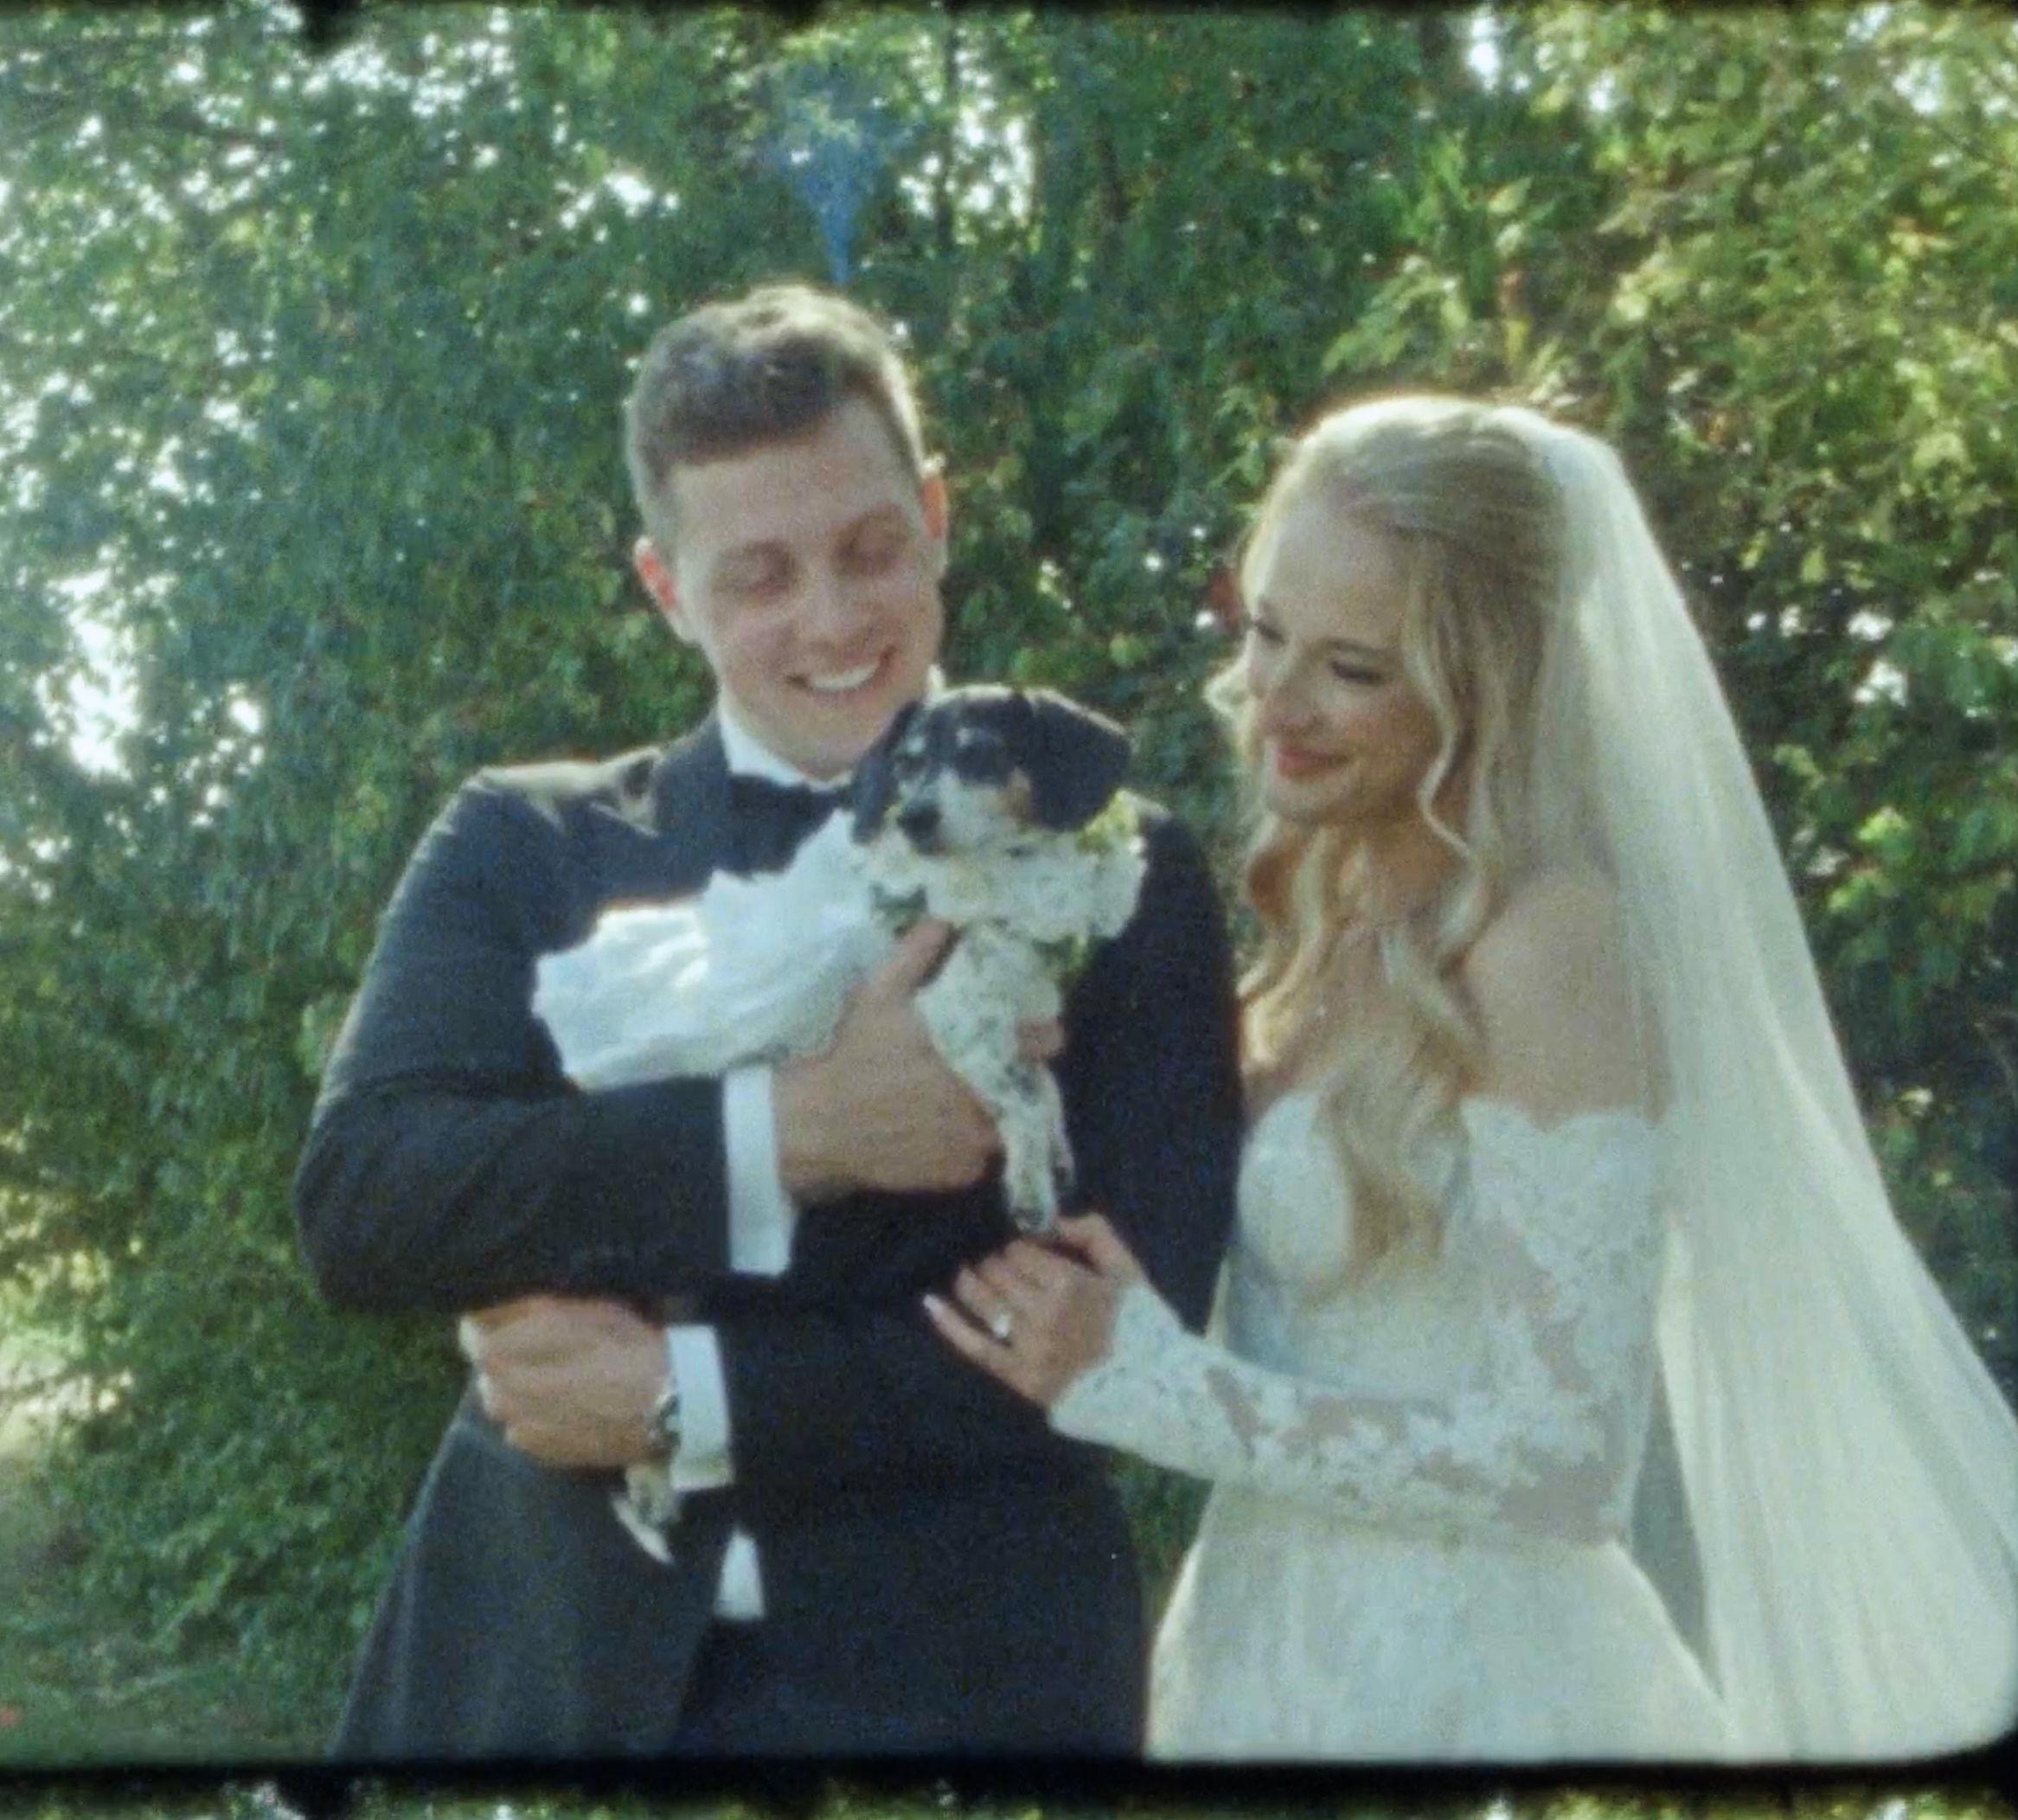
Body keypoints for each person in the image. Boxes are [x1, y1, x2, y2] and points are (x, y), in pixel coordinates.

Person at [931, 394, 2018, 1759]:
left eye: (1352, 668)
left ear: (1484, 684)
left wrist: (1157, 1390)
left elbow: (1566, 1463)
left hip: (1480, 1692)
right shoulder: (1320, 911)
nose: (1275, 702)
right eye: (1265, 632)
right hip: (1255, 1657)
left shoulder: (1551, 941)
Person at [290, 283, 1241, 1758]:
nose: (834, 619)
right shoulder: (522, 843)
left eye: (870, 549)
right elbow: (368, 1206)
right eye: (758, 577)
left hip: (971, 1684)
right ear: (668, 590)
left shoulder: (1114, 867)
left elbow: (1126, 1327)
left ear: (935, 516)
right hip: (539, 1672)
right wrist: (785, 1133)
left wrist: (692, 1397)